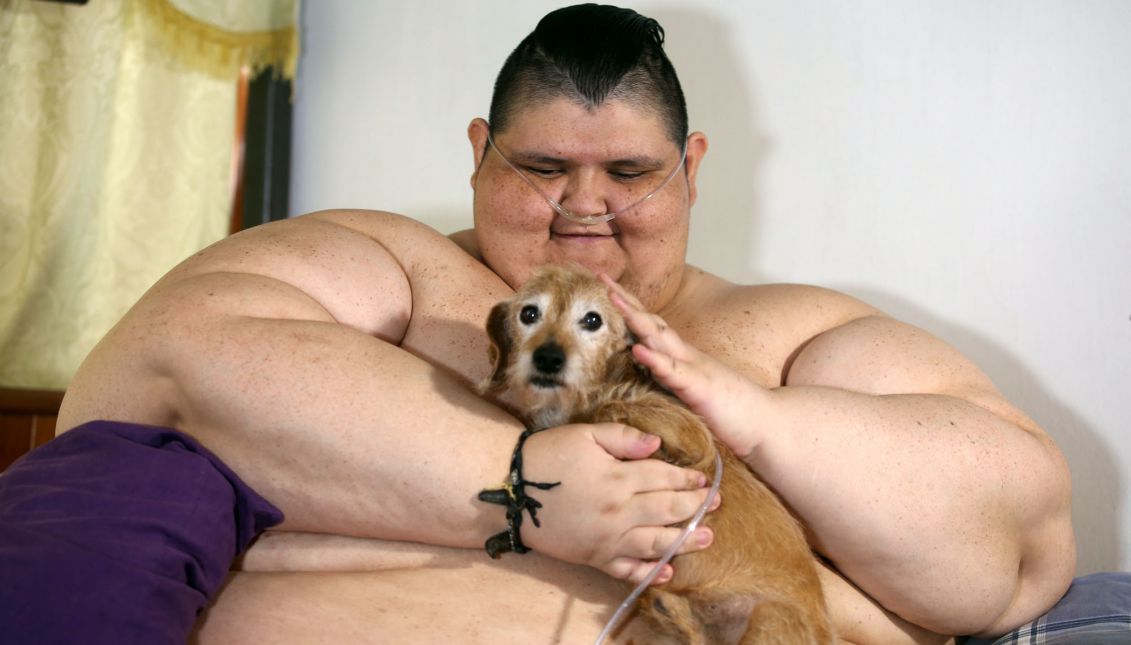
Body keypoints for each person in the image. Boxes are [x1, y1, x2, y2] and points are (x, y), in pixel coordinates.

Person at [44, 4, 1073, 643]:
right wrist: (525, 498)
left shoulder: (782, 337)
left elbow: (1017, 551)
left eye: (629, 173)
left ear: (693, 169)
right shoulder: (396, 264)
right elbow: (162, 373)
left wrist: (758, 422)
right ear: (481, 151)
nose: (586, 207)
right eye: (542, 168)